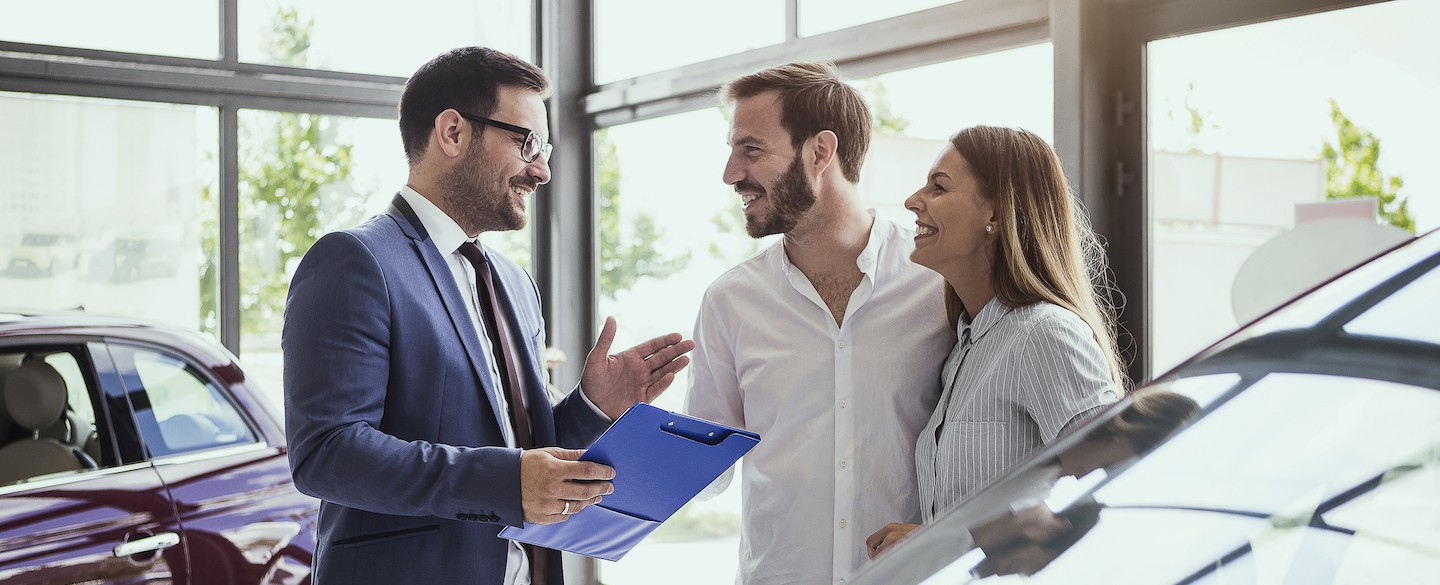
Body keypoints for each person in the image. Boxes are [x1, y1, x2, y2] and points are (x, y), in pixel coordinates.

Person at [283, 47, 694, 585]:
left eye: (545, 149)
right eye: (528, 143)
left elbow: (523, 449)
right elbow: (327, 453)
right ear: (452, 132)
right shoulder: (355, 261)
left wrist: (594, 405)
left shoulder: (514, 284)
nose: (542, 170)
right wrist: (506, 482)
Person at [684, 62, 954, 585]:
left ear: (820, 152)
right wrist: (625, 423)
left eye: (751, 150)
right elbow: (704, 473)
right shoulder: (730, 301)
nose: (731, 173)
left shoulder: (936, 283)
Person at [866, 125, 1126, 559]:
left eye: (939, 187)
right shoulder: (964, 349)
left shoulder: (1045, 335)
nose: (913, 201)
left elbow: (1113, 490)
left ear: (998, 214)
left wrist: (944, 541)